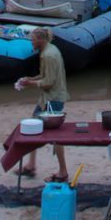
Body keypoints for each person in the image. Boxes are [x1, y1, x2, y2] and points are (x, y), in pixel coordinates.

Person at [12, 26, 68, 180]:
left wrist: (30, 84)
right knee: (32, 127)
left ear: (40, 40)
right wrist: (29, 79)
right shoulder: (50, 50)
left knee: (55, 136)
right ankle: (31, 165)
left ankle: (62, 171)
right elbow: (44, 75)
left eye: (32, 39)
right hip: (49, 98)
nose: (31, 42)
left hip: (53, 99)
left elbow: (49, 82)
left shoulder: (48, 55)